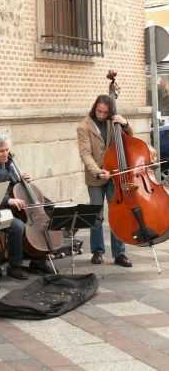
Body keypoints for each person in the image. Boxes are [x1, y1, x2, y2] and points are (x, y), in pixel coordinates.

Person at [0, 133, 55, 279]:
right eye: (1, 151)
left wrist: (21, 179)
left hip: (15, 208)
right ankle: (15, 266)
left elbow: (16, 187)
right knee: (18, 226)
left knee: (47, 214)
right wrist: (8, 201)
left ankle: (39, 260)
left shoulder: (10, 165)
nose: (6, 153)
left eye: (7, 149)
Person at [77, 94, 133, 267]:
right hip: (96, 177)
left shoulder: (112, 121)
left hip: (114, 173)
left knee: (117, 213)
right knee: (96, 214)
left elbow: (130, 137)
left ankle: (119, 253)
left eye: (104, 112)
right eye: (98, 111)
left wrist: (125, 123)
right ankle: (97, 251)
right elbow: (85, 153)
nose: (101, 115)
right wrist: (97, 171)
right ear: (94, 108)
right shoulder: (84, 126)